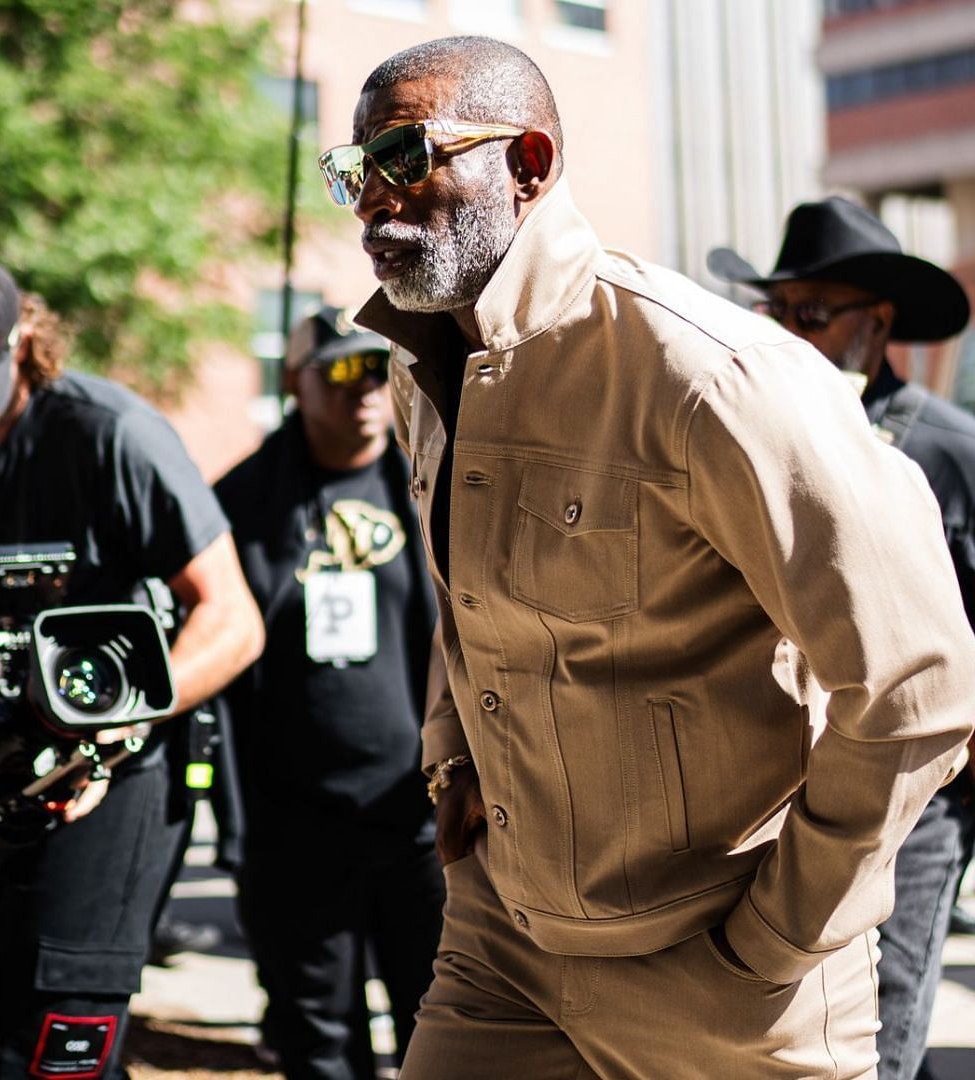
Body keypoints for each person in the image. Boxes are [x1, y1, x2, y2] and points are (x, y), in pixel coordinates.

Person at [324, 36, 975, 1076]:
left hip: (722, 979)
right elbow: (467, 602)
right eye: (355, 170)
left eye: (406, 155)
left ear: (527, 164)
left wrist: (778, 939)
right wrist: (450, 757)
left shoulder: (712, 375)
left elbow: (919, 684)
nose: (369, 200)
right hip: (504, 939)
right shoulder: (424, 367)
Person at [709, 196, 975, 1080]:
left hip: (913, 790)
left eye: (812, 315)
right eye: (777, 312)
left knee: (882, 1024)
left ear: (880, 323)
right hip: (771, 781)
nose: (789, 331)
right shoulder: (754, 427)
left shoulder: (949, 449)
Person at [0, 268, 265, 1080]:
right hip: (5, 769)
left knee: (54, 1052)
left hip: (111, 775)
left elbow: (234, 619)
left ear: (20, 341)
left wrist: (115, 728)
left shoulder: (110, 433)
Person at [215, 307, 443, 1078]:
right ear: (296, 383)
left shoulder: (433, 479)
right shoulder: (242, 505)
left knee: (441, 1026)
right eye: (341, 372)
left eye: (376, 370)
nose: (365, 389)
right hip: (293, 831)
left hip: (422, 817)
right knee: (318, 1043)